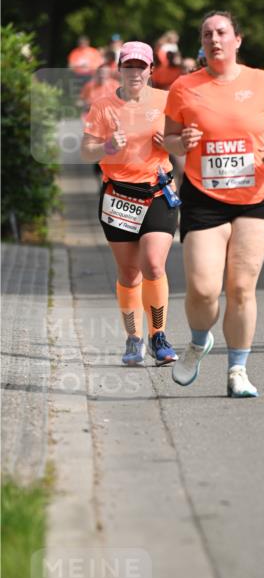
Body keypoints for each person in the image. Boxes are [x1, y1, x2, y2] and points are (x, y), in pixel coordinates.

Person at [164, 10, 264, 397]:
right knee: (203, 290)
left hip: (256, 195)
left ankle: (238, 369)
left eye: (222, 32)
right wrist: (179, 143)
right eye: (207, 34)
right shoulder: (185, 87)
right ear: (201, 43)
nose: (214, 39)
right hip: (204, 195)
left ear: (238, 39)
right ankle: (199, 339)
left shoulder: (263, 82)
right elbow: (168, 138)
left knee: (241, 287)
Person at [81, 41, 180, 366]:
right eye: (129, 66)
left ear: (151, 70)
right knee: (129, 273)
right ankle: (133, 337)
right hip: (118, 197)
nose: (135, 72)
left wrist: (170, 142)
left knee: (153, 264)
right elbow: (86, 152)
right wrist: (107, 147)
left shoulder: (166, 101)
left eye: (141, 66)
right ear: (119, 69)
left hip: (157, 192)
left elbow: (181, 146)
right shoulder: (103, 106)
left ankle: (158, 336)